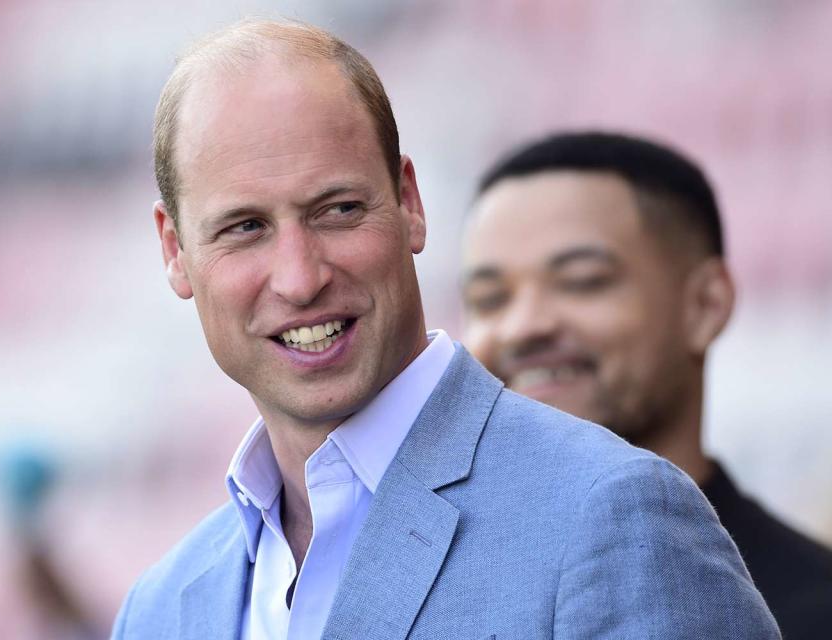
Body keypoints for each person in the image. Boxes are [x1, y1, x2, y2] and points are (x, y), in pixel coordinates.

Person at [112, 21, 779, 639]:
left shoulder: (614, 519)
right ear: (175, 251)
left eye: (338, 210)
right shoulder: (159, 608)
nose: (299, 277)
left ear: (410, 204)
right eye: (245, 228)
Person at [462, 131, 832, 639]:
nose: (523, 325)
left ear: (705, 304)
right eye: (489, 298)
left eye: (583, 280)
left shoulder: (813, 611)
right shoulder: (430, 587)